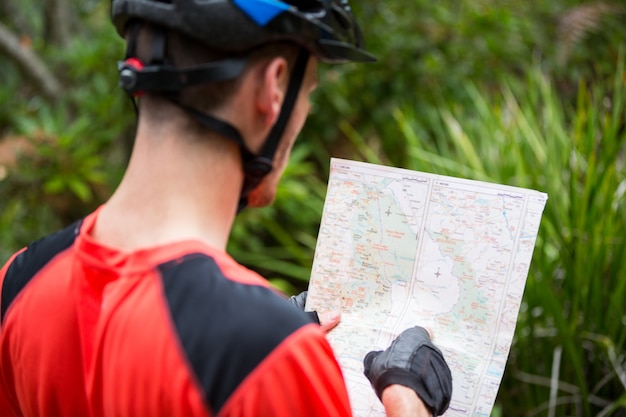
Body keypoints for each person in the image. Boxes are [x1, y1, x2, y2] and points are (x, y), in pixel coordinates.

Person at [0, 1, 452, 416]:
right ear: (274, 87)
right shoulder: (269, 357)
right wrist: (405, 399)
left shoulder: (18, 281)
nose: (305, 110)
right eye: (308, 92)